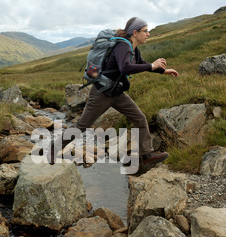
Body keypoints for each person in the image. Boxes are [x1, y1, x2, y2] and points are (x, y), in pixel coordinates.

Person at [49, 17, 179, 168]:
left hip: (117, 93)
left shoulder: (133, 48)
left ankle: (146, 155)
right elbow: (126, 68)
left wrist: (162, 71)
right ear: (135, 32)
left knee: (140, 118)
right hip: (102, 94)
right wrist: (152, 65)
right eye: (145, 31)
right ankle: (53, 147)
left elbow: (141, 64)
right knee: (81, 126)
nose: (148, 34)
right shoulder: (123, 47)